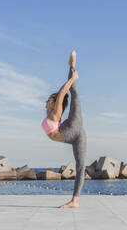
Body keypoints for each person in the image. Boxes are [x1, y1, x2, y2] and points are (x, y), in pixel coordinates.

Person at [42, 50, 87, 208]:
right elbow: (60, 93)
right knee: (81, 166)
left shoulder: (55, 113)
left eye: (49, 100)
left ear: (53, 103)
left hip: (71, 128)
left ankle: (72, 66)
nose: (46, 101)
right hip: (75, 135)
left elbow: (62, 92)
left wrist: (73, 78)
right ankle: (75, 201)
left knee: (74, 94)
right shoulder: (50, 113)